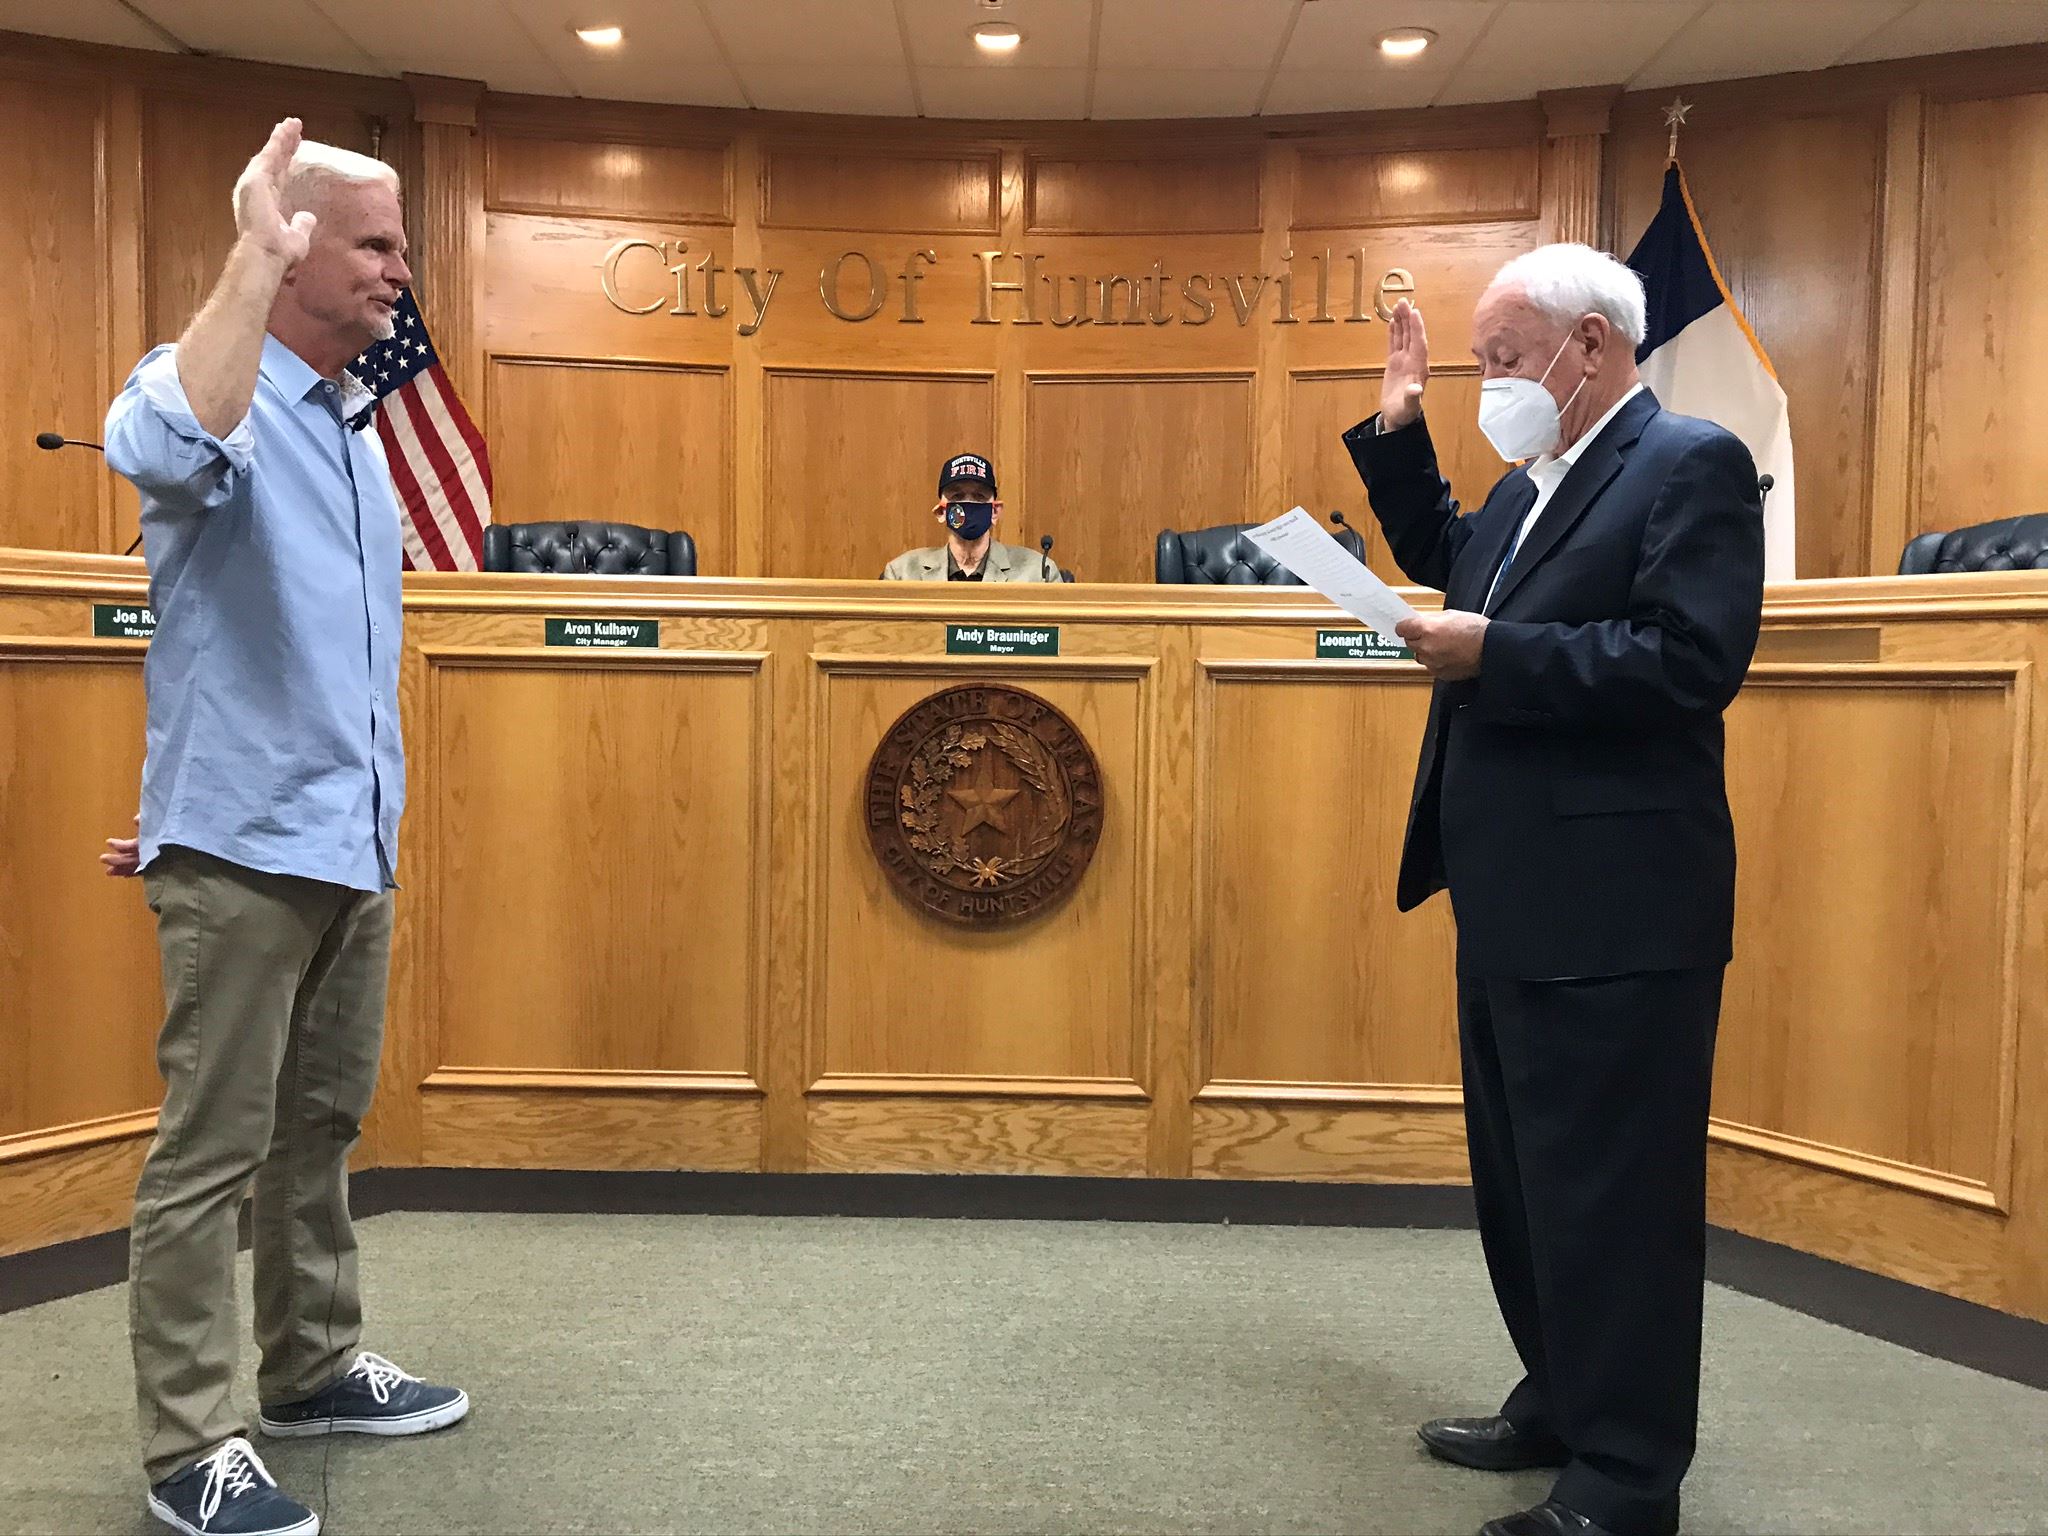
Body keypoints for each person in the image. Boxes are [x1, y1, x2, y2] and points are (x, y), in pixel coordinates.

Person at [1343, 244, 1764, 1536]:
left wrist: (1498, 656)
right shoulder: (1541, 487)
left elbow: (1692, 660)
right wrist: (1403, 431)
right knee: (1527, 1180)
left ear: (1591, 346)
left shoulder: (1685, 463)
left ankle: (1629, 1478)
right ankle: (1564, 1398)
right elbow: (1456, 560)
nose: (1495, 387)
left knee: (1615, 1195)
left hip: (1623, 905)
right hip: (1516, 892)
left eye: (1505, 362)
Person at [100, 118, 467, 1536]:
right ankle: (190, 1444)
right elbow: (160, 441)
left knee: (316, 1124)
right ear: (299, 246)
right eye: (376, 244)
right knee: (210, 1151)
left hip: (345, 839)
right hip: (245, 850)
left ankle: (309, 1367)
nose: (400, 270)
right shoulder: (220, 397)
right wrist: (246, 264)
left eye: (402, 244)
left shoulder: (355, 435)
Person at [880, 452, 1060, 580]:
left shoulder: (1039, 573)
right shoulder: (902, 573)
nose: (968, 504)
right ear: (941, 511)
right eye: (957, 497)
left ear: (995, 511)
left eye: (979, 497)